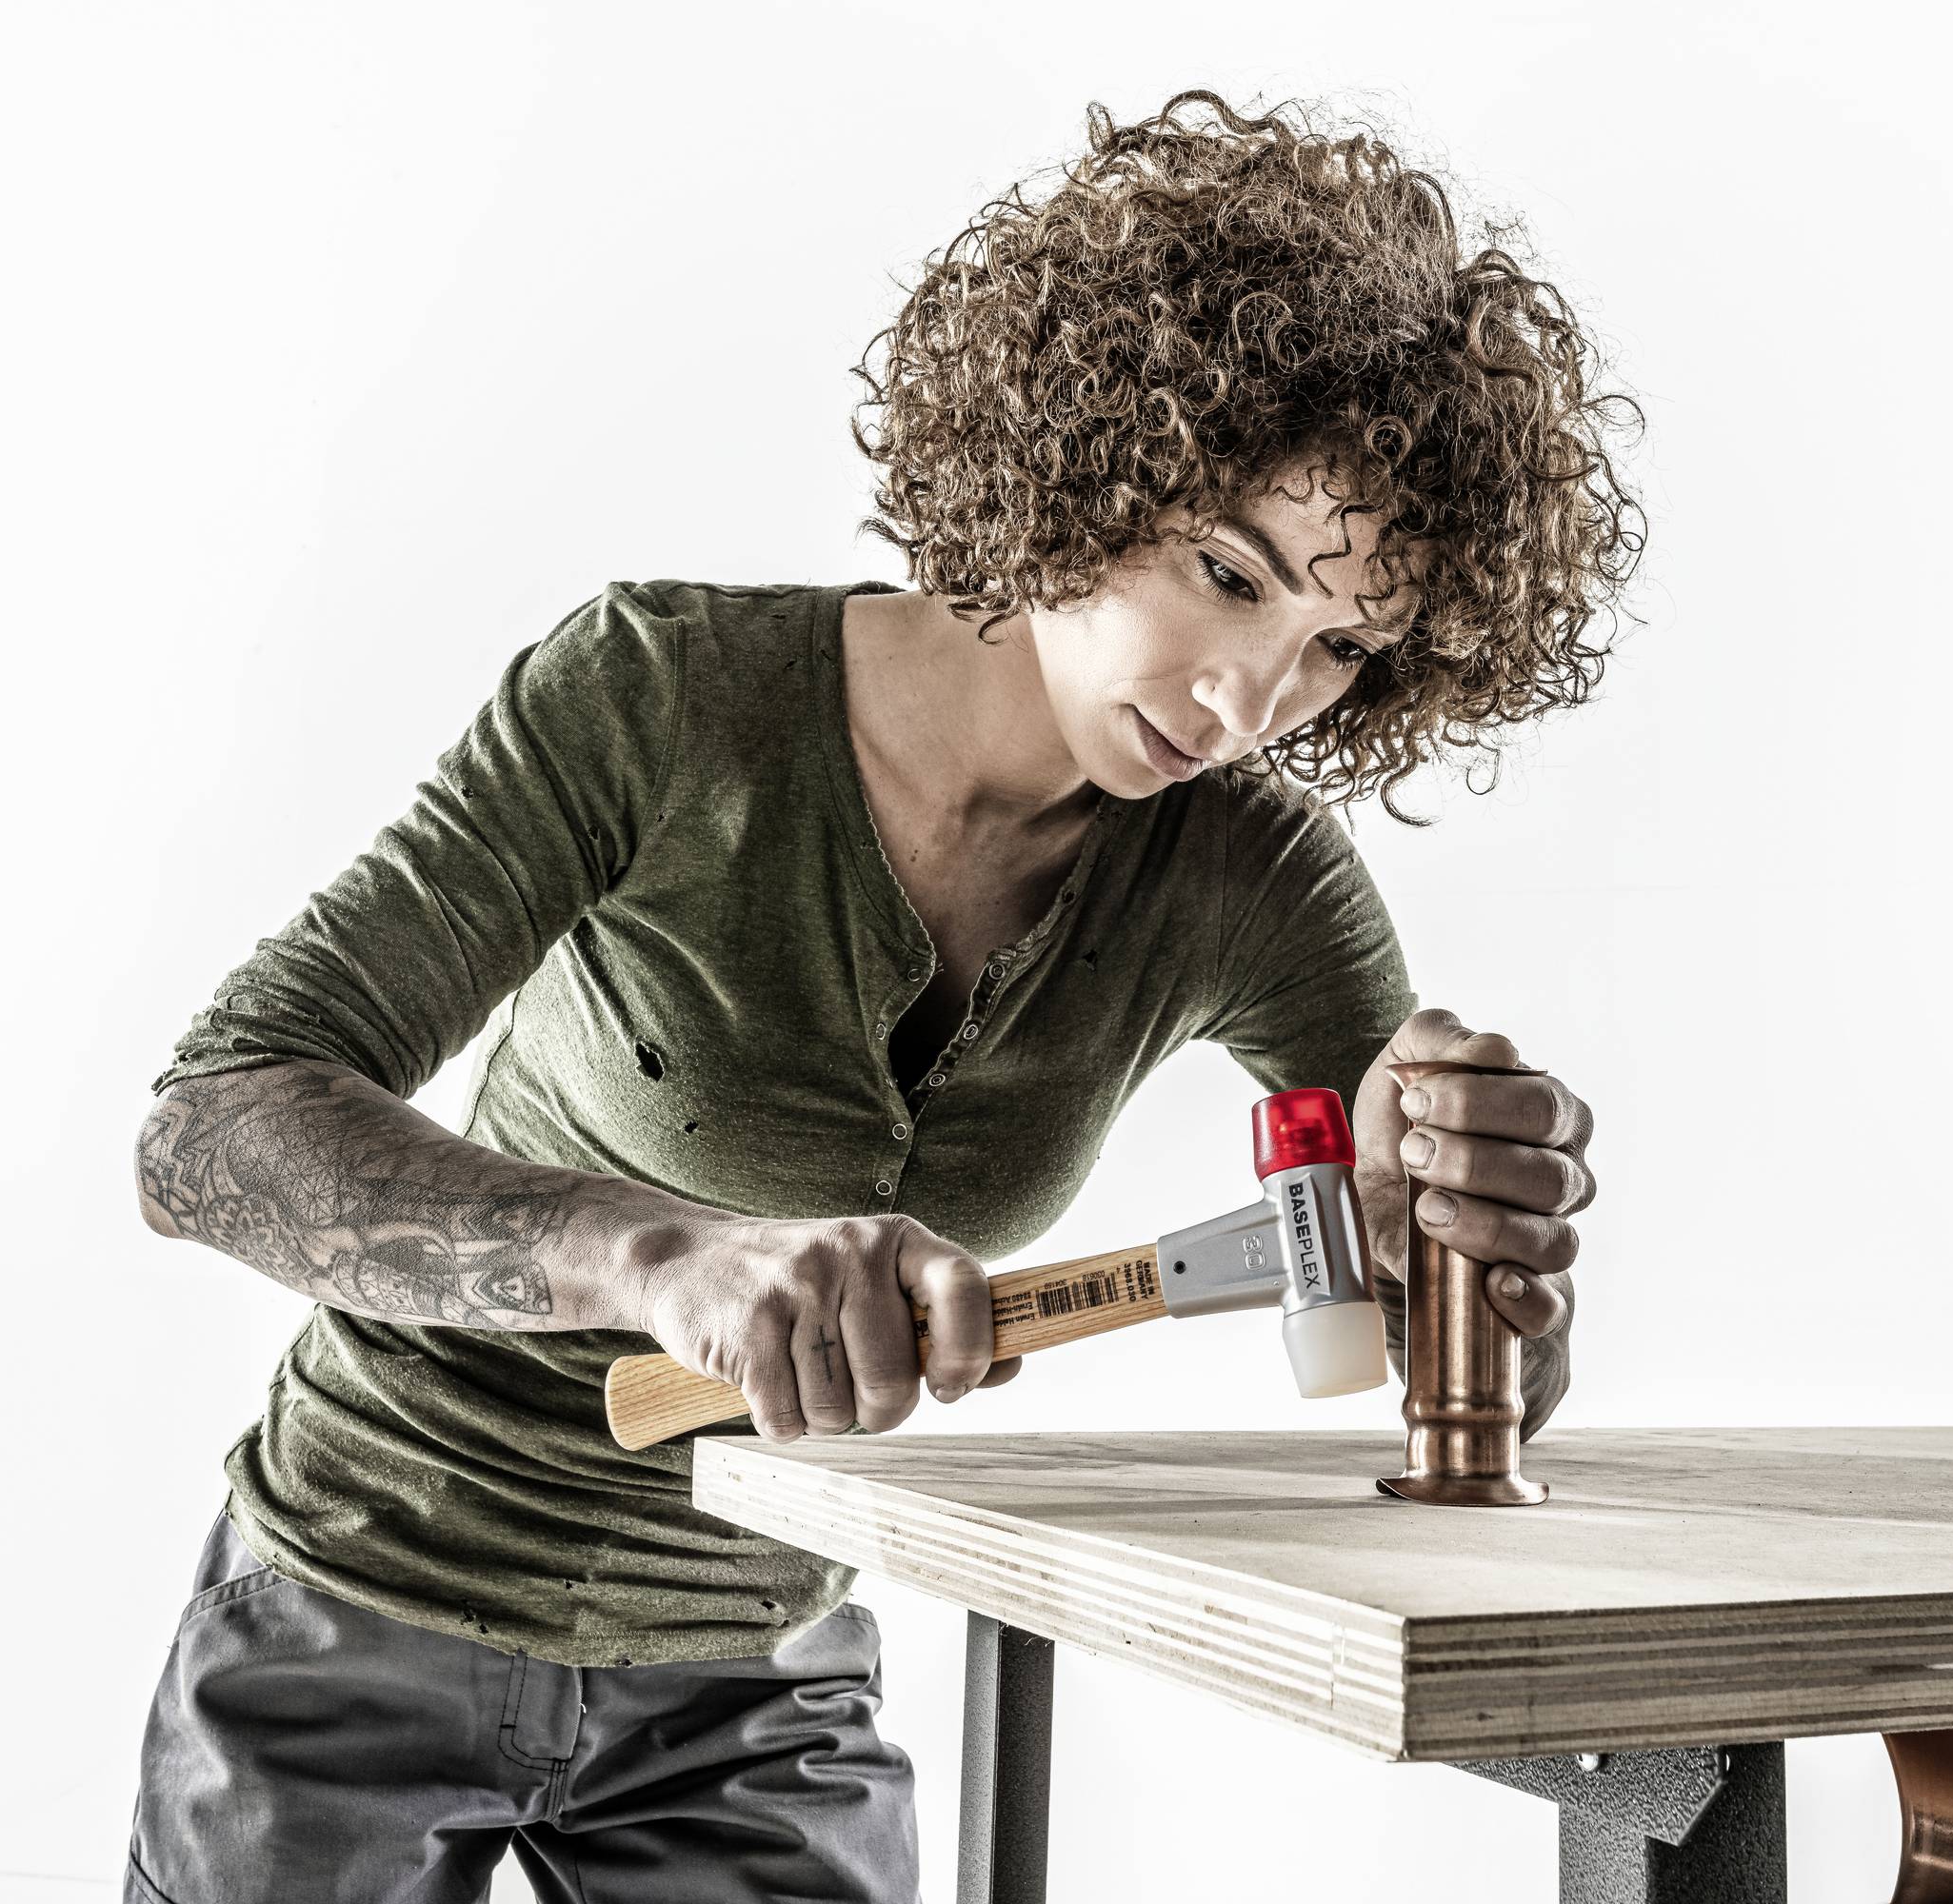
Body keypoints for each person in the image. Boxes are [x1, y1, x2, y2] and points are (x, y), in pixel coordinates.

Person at [123, 86, 1643, 1904]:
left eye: (1335, 648)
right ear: (1093, 453)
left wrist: (1489, 1256)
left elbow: (1450, 1370)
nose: (1251, 701)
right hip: (358, 1598)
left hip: (757, 1677)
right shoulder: (658, 698)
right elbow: (210, 1123)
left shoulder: (1252, 878)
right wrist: (665, 1258)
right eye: (1226, 574)